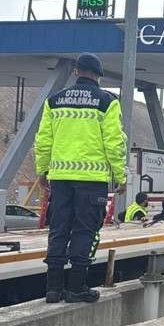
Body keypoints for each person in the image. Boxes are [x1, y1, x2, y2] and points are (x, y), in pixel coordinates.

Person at [34, 52, 127, 304]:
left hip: (61, 178)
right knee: (85, 230)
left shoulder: (54, 101)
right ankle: (77, 287)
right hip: (92, 179)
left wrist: (42, 171)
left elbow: (43, 140)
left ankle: (52, 289)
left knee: (59, 229)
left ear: (76, 72)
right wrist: (120, 175)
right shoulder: (107, 102)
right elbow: (114, 143)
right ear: (98, 75)